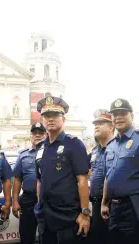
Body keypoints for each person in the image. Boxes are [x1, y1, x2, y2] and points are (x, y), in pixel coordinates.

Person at [100, 98, 139, 244]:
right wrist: (104, 203)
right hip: (115, 209)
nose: (118, 117)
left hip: (136, 208)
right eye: (115, 114)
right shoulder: (111, 146)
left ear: (132, 116)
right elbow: (108, 177)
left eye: (123, 113)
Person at [34, 96, 90, 244]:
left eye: (55, 115)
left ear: (63, 119)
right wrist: (38, 207)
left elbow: (82, 181)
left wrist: (84, 213)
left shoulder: (74, 144)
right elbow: (39, 180)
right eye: (46, 116)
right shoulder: (41, 148)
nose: (50, 119)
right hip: (45, 216)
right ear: (42, 120)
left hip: (68, 217)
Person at [12, 122, 47, 244]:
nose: (37, 135)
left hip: (47, 198)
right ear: (30, 136)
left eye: (41, 133)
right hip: (28, 199)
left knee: (47, 235)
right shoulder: (23, 155)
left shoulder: (51, 153)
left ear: (46, 135)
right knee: (27, 235)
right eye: (34, 133)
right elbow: (17, 179)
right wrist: (15, 201)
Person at [88, 109, 114, 244]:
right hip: (96, 203)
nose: (96, 126)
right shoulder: (94, 151)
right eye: (95, 124)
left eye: (101, 123)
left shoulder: (116, 147)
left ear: (111, 126)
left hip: (112, 204)